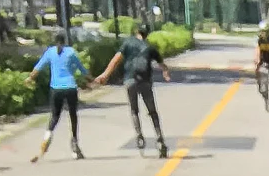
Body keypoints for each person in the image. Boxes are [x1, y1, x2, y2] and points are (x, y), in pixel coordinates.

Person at [92, 20, 170, 158]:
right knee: (152, 111)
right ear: (147, 34)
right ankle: (160, 140)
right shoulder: (150, 47)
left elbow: (115, 60)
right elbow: (162, 65)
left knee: (134, 110)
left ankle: (139, 135)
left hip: (130, 81)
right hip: (145, 82)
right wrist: (165, 73)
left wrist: (105, 75)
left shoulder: (127, 43)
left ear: (136, 32)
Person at [27, 28, 86, 162]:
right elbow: (82, 69)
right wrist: (92, 80)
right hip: (70, 87)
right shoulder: (71, 52)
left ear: (54, 41)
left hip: (56, 89)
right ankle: (75, 145)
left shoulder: (50, 52)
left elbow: (38, 67)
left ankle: (47, 135)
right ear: (65, 40)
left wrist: (29, 79)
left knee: (54, 116)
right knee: (73, 116)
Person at [254, 24, 269, 101]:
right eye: (262, 31)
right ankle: (260, 85)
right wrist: (256, 60)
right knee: (257, 71)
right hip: (262, 60)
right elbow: (257, 51)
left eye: (265, 31)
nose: (263, 33)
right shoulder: (259, 40)